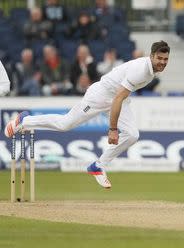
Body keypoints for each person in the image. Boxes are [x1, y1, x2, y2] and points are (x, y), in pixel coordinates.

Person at [4, 41, 171, 189]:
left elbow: (120, 97)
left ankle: (98, 165)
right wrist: (113, 129)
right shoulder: (141, 70)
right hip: (101, 95)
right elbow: (118, 98)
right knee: (65, 124)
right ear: (151, 56)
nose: (162, 62)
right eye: (159, 58)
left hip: (117, 96)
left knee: (133, 135)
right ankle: (24, 120)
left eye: (165, 59)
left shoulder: (151, 70)